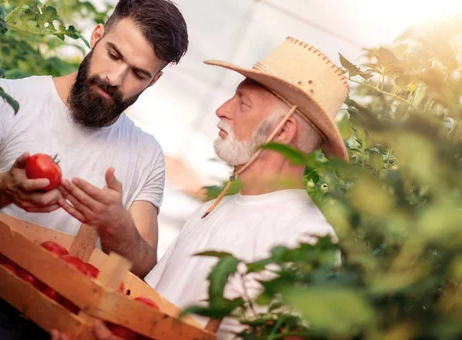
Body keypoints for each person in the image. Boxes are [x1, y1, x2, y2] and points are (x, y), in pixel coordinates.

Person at [0, 0, 189, 340]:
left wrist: (116, 225)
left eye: (139, 73)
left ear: (155, 80)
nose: (115, 78)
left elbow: (143, 265)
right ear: (97, 35)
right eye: (113, 54)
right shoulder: (5, 102)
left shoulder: (146, 155)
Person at [51, 36, 349, 340]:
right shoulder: (214, 209)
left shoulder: (309, 238)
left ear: (283, 130)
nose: (221, 109)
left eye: (242, 102)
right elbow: (150, 305)